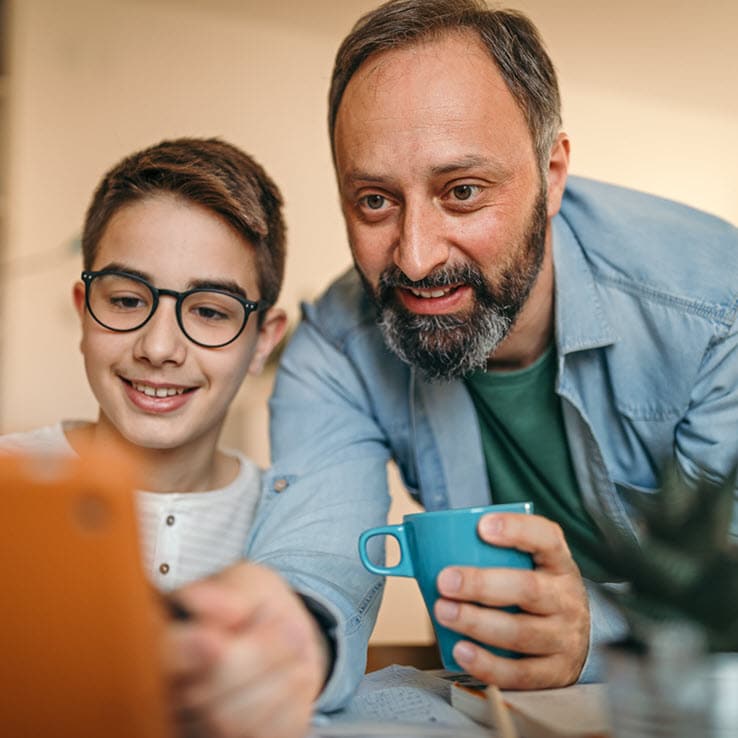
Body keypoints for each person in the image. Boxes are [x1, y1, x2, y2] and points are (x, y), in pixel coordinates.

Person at [266, 0, 738, 698]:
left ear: (552, 174)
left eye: (461, 191)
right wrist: (276, 646)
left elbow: (723, 591)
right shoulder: (334, 349)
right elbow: (315, 562)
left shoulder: (715, 310)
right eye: (374, 201)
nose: (418, 259)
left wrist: (600, 630)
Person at [0, 137, 338, 738]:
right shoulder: (11, 478)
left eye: (210, 311)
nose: (158, 348)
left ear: (263, 339)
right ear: (84, 310)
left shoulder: (286, 528)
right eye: (127, 300)